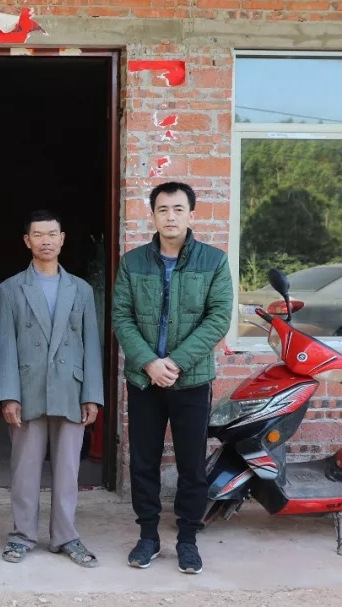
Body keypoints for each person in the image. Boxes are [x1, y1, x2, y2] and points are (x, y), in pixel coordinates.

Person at [113, 181, 232, 575]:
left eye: (178, 209)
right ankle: (148, 536)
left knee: (191, 465)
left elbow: (218, 318)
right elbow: (121, 316)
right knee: (143, 461)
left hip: (191, 380)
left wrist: (176, 362)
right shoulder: (133, 262)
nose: (170, 216)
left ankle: (187, 540)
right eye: (163, 209)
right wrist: (149, 362)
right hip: (144, 380)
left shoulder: (214, 261)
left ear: (191, 214)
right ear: (152, 215)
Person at [0, 209, 104, 568]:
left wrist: (92, 395)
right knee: (24, 468)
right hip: (28, 389)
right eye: (38, 235)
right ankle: (22, 535)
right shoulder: (10, 289)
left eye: (52, 234)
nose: (45, 241)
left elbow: (91, 345)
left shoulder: (81, 289)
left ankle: (66, 536)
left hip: (70, 388)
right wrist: (8, 395)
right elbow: (5, 346)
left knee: (68, 469)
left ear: (62, 239)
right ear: (27, 241)